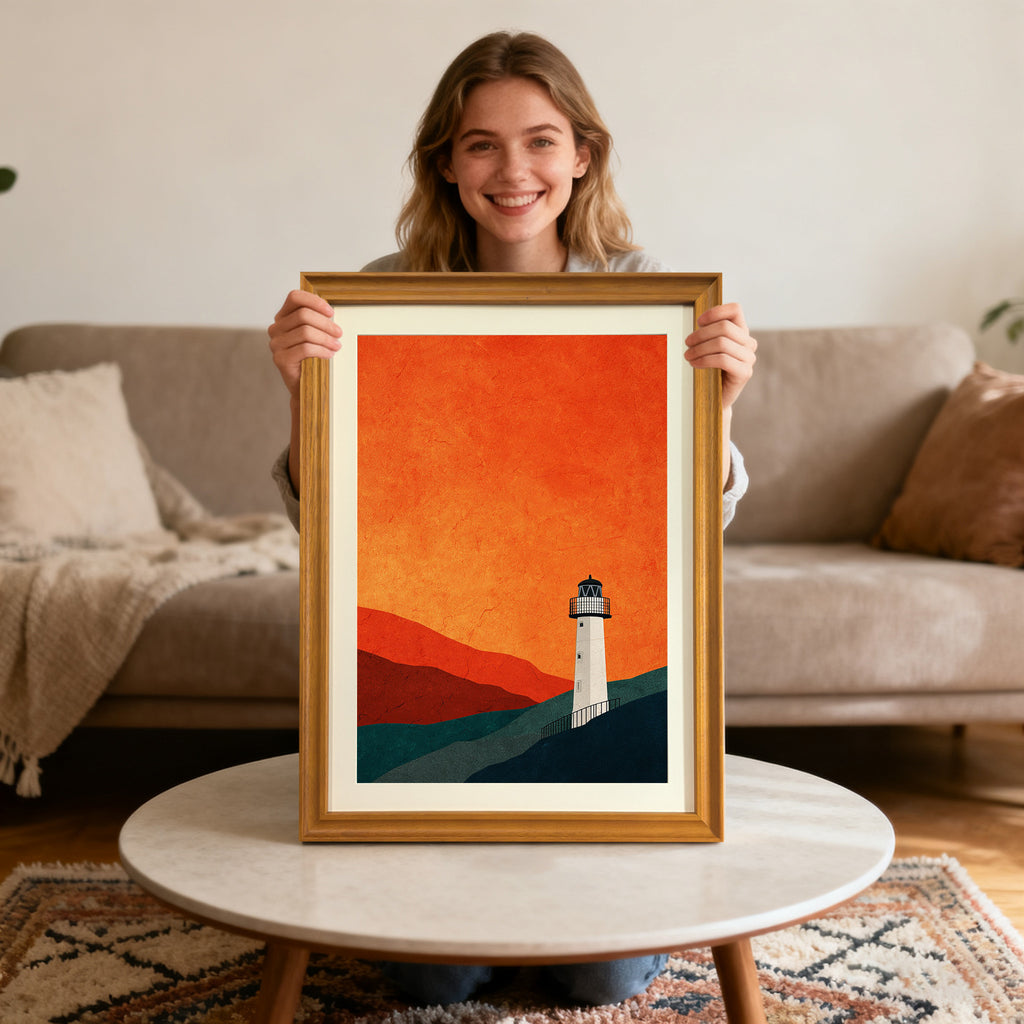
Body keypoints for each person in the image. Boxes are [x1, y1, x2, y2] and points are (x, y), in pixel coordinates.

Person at [267, 30, 756, 1008]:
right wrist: (300, 391)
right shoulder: (384, 295)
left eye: (539, 140)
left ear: (582, 153)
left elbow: (682, 524)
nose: (512, 169)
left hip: (598, 726)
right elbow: (335, 526)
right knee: (430, 977)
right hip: (447, 632)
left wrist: (723, 407)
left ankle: (604, 888)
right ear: (445, 161)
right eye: (480, 143)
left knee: (591, 980)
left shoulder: (643, 293)